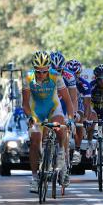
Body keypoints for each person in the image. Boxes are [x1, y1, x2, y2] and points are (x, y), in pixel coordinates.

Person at [22, 50, 74, 193]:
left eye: (44, 71)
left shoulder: (56, 76)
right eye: (38, 71)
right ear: (34, 69)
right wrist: (29, 117)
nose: (41, 75)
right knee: (34, 141)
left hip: (53, 108)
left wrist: (70, 118)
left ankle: (62, 161)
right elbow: (25, 103)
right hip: (36, 111)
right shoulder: (27, 77)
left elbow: (68, 101)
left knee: (60, 127)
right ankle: (34, 178)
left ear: (48, 69)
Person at [50, 51, 81, 164]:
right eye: (54, 70)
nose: (57, 73)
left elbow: (73, 99)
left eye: (59, 71)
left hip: (63, 103)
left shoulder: (69, 75)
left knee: (65, 130)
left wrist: (72, 116)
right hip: (50, 103)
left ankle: (64, 159)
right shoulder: (43, 75)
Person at [65, 59, 92, 160]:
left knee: (79, 120)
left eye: (76, 74)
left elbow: (87, 105)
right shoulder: (61, 80)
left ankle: (77, 149)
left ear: (79, 73)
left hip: (78, 105)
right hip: (64, 104)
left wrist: (85, 119)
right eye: (70, 73)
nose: (73, 76)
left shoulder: (84, 85)